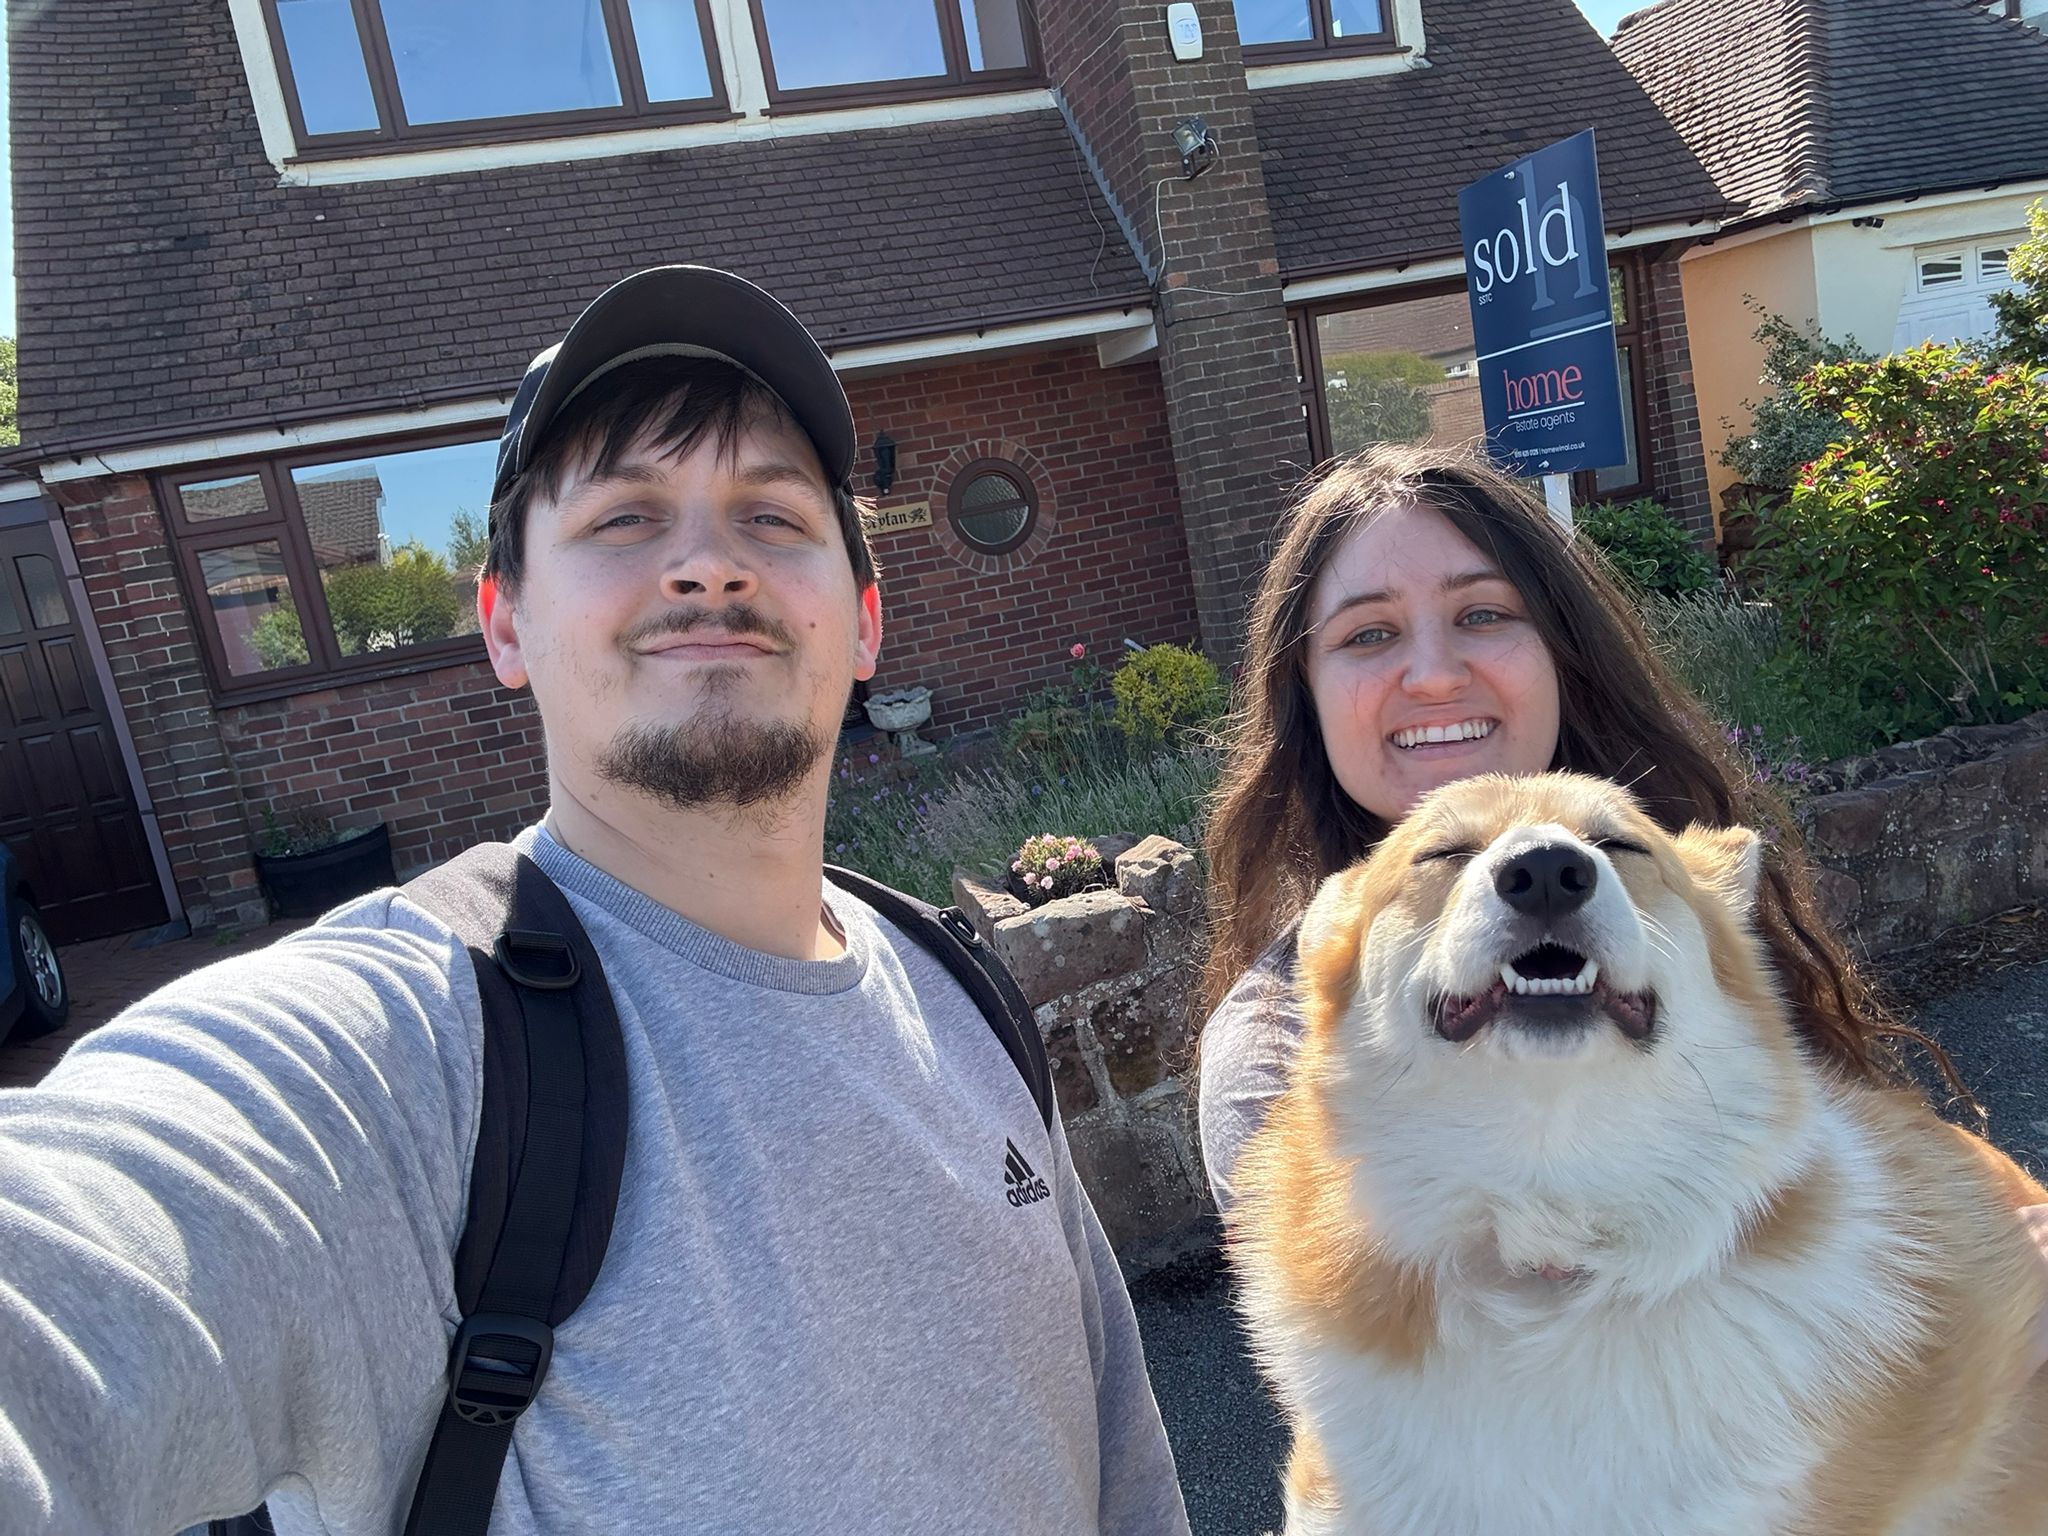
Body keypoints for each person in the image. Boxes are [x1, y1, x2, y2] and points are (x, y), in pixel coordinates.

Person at [0, 266, 1191, 1536]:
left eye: (773, 517)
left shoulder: (958, 990)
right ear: (504, 624)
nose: (705, 566)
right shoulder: (413, 1052)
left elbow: (1121, 1456)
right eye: (624, 517)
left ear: (864, 622)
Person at [1197, 442, 2028, 1217]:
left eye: (1483, 614)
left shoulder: (1686, 898)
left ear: (1563, 651)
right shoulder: (1274, 1062)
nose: (1435, 676)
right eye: (1368, 634)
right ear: (1305, 695)